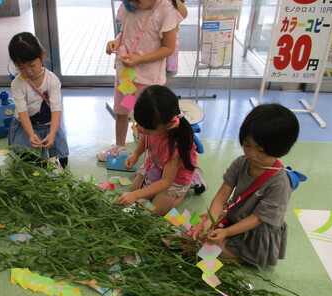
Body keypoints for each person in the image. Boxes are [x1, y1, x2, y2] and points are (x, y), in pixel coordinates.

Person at [198, 104, 300, 267]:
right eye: (247, 145)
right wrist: (211, 220)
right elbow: (221, 196)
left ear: (279, 148)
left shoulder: (280, 183)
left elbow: (257, 219)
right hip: (233, 217)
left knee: (206, 249)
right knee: (198, 229)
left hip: (254, 234)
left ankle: (245, 256)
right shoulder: (241, 163)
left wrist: (226, 232)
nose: (251, 153)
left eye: (261, 150)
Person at [97, 0, 185, 161]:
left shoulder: (165, 10)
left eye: (137, 0)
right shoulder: (128, 7)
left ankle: (154, 150)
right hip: (127, 76)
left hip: (149, 80)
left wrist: (140, 59)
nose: (133, 3)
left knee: (152, 115)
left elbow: (168, 47)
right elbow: (125, 31)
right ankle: (119, 145)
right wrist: (116, 41)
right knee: (123, 110)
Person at [113, 85, 198, 215]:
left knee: (156, 210)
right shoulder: (150, 123)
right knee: (133, 188)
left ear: (169, 123)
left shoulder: (175, 144)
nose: (142, 130)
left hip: (175, 177)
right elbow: (145, 138)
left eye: (147, 129)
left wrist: (136, 195)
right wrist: (135, 154)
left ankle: (188, 186)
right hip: (156, 165)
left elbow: (166, 182)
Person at [7, 32, 69, 168]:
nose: (28, 71)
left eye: (32, 65)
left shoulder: (52, 80)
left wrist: (52, 133)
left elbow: (56, 109)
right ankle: (31, 151)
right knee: (31, 160)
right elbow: (22, 112)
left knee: (61, 161)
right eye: (21, 67)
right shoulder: (17, 83)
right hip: (26, 125)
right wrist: (30, 134)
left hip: (48, 124)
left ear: (41, 56)